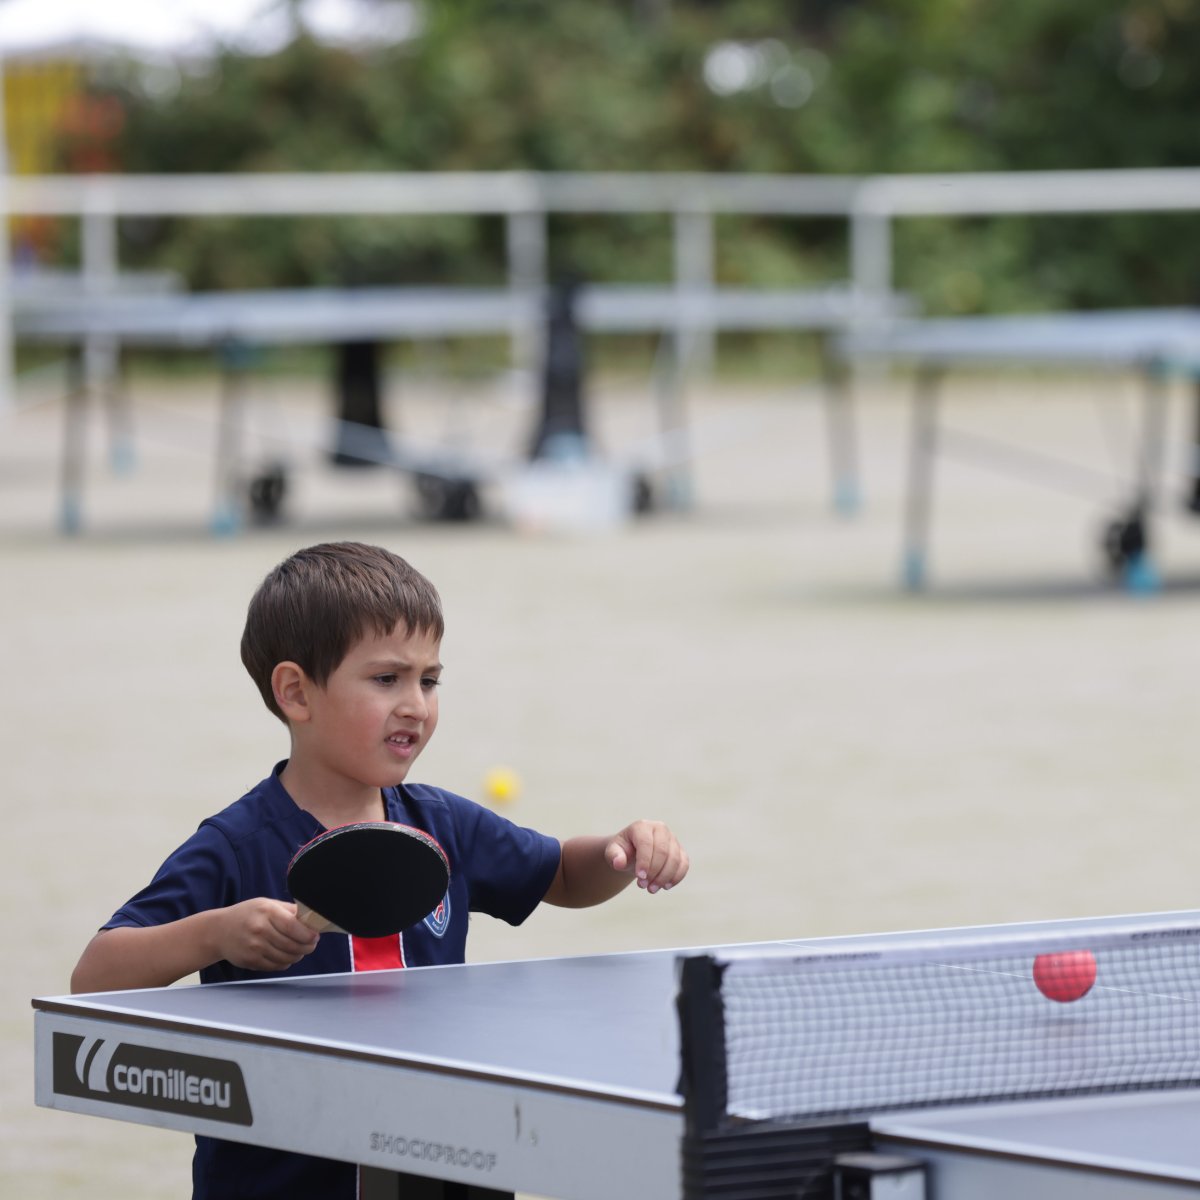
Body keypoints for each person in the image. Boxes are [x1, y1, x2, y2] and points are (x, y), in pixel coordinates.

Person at [70, 540, 689, 1199]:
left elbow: (562, 876)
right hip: (280, 1180)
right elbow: (95, 977)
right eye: (386, 679)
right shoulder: (233, 845)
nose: (416, 704)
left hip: (445, 1165)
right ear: (296, 693)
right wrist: (214, 934)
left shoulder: (444, 824)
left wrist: (619, 852)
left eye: (429, 680)